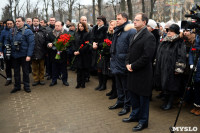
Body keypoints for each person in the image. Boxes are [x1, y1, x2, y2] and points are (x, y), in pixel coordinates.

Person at [123, 13, 156, 132]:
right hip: (132, 72)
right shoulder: (134, 34)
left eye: (137, 20)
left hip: (142, 74)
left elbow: (147, 57)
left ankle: (143, 121)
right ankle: (134, 116)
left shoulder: (149, 36)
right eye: (134, 20)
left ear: (144, 22)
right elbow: (129, 52)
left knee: (143, 99)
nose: (134, 22)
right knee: (134, 96)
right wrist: (127, 63)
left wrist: (133, 65)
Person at [109, 13, 136, 116]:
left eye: (119, 19)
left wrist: (127, 62)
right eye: (116, 19)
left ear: (125, 19)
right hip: (116, 62)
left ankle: (127, 106)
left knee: (126, 87)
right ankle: (120, 102)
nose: (117, 21)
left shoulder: (130, 31)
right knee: (119, 85)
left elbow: (131, 49)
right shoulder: (118, 30)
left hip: (123, 63)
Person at [155, 24, 186, 110]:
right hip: (163, 67)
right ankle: (165, 101)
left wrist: (179, 68)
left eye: (171, 31)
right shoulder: (164, 41)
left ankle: (170, 103)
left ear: (176, 32)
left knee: (171, 86)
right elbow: (159, 53)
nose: (168, 32)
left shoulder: (179, 42)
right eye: (168, 31)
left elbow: (181, 56)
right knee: (164, 85)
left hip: (172, 68)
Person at [7, 16, 35, 93]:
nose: (17, 22)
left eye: (19, 21)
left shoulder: (28, 31)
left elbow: (31, 44)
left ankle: (26, 86)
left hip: (24, 55)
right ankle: (17, 86)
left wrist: (29, 55)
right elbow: (8, 41)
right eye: (16, 21)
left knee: (25, 72)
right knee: (16, 72)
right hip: (15, 55)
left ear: (23, 22)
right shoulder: (12, 30)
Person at [47, 21, 69, 86]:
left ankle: (64, 80)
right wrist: (49, 44)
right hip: (53, 53)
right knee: (54, 68)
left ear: (61, 26)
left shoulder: (65, 33)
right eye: (55, 25)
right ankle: (54, 80)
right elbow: (47, 41)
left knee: (64, 68)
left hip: (63, 54)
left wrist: (64, 47)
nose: (56, 27)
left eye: (58, 25)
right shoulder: (51, 33)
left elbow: (69, 42)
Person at [92, 15, 108, 91]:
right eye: (97, 21)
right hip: (95, 51)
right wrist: (93, 43)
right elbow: (91, 38)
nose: (98, 22)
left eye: (100, 21)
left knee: (102, 68)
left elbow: (106, 41)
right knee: (98, 68)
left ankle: (104, 85)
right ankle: (100, 83)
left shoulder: (106, 29)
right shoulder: (95, 28)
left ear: (103, 21)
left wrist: (98, 45)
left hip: (102, 51)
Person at [73, 22, 91, 88]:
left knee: (83, 69)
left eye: (82, 26)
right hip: (77, 54)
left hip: (84, 54)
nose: (80, 27)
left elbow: (87, 45)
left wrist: (80, 51)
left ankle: (83, 83)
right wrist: (75, 50)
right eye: (79, 26)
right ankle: (78, 83)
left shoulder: (87, 34)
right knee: (78, 69)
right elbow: (74, 43)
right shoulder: (76, 33)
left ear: (84, 27)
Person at [30, 17, 47, 86]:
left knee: (42, 67)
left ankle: (42, 79)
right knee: (34, 67)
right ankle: (36, 79)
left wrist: (45, 51)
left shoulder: (43, 30)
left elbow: (46, 41)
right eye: (34, 21)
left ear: (39, 22)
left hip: (41, 52)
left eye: (37, 21)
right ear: (32, 22)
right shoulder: (29, 30)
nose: (36, 22)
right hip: (33, 52)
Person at [104, 20, 118, 99]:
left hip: (114, 57)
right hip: (109, 57)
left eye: (112, 25)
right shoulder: (108, 34)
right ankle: (112, 90)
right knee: (112, 75)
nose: (110, 26)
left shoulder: (115, 35)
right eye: (110, 25)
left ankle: (115, 92)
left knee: (115, 76)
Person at [0, 19, 15, 86]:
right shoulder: (3, 32)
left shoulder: (16, 30)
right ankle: (9, 78)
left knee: (16, 66)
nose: (9, 25)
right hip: (6, 51)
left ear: (13, 23)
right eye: (8, 24)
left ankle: (17, 79)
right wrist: (1, 51)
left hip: (15, 51)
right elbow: (1, 42)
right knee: (8, 66)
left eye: (10, 23)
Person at [189, 34, 200, 116]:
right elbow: (191, 52)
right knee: (196, 89)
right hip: (196, 70)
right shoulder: (195, 41)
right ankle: (196, 106)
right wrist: (191, 63)